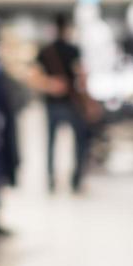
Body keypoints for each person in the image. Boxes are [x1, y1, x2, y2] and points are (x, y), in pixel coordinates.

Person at [36, 13, 92, 193]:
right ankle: (75, 179)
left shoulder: (46, 51)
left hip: (54, 102)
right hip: (71, 102)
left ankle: (52, 179)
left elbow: (33, 76)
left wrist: (49, 85)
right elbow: (82, 76)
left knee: (52, 142)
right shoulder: (73, 50)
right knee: (78, 141)